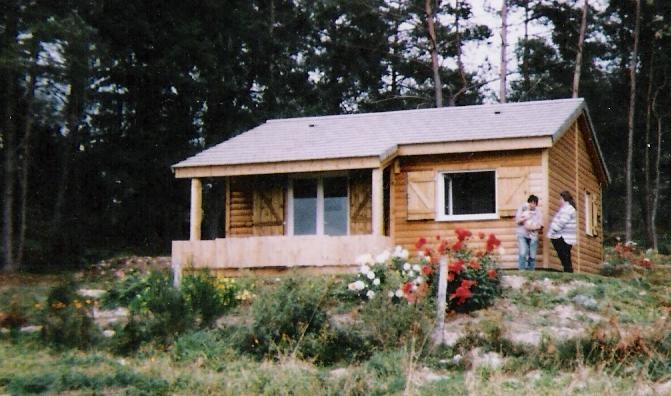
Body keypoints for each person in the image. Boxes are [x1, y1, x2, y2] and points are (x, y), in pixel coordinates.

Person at [547, 190, 577, 273]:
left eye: (560, 199)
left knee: (564, 256)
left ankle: (568, 272)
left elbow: (562, 222)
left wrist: (553, 229)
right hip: (566, 236)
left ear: (564, 199)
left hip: (563, 237)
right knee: (565, 256)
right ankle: (568, 271)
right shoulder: (567, 208)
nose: (559, 201)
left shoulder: (567, 209)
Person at [515, 194, 542, 270]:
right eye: (531, 203)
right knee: (523, 252)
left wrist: (532, 227)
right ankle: (522, 271)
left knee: (532, 255)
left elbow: (539, 225)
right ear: (528, 202)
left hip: (533, 235)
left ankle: (531, 272)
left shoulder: (538, 212)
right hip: (522, 234)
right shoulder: (522, 209)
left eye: (535, 203)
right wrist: (525, 218)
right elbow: (517, 221)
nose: (533, 205)